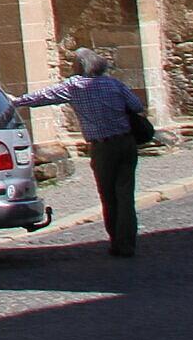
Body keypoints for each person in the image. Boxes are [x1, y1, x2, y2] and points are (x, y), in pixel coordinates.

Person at [17, 49, 149, 257]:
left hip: (102, 147)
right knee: (125, 195)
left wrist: (16, 101)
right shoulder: (114, 83)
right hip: (126, 142)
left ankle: (116, 241)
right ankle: (127, 243)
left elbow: (43, 97)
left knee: (108, 195)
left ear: (80, 66)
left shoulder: (75, 85)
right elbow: (136, 105)